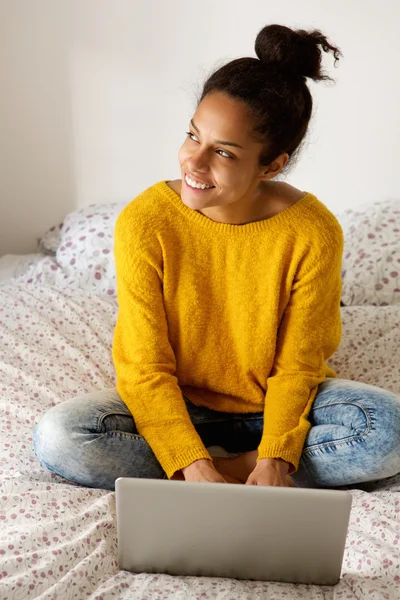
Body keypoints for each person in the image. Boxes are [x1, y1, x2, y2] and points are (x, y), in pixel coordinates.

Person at [33, 24, 400, 492]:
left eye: (223, 152)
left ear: (271, 165)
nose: (193, 162)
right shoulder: (145, 221)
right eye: (193, 136)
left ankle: (237, 469)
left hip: (275, 407)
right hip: (175, 404)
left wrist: (276, 455)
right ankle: (218, 470)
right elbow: (143, 364)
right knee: (61, 438)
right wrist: (190, 458)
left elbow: (299, 364)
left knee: (388, 431)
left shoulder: (312, 231)